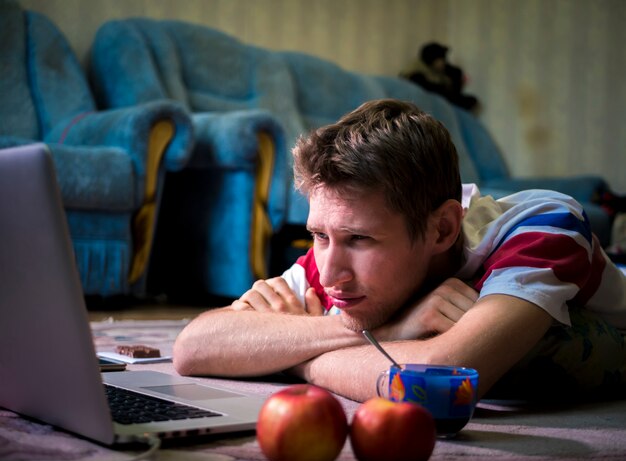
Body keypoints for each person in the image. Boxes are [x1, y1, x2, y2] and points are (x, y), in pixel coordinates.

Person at [173, 99, 626, 402]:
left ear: (443, 229)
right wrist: (399, 327)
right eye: (319, 235)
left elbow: (442, 378)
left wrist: (293, 358)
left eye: (360, 240)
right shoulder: (339, 244)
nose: (330, 275)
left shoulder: (542, 225)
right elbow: (193, 348)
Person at [400, 42, 479, 113]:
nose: (442, 63)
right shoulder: (416, 72)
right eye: (440, 60)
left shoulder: (443, 70)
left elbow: (454, 76)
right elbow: (428, 88)